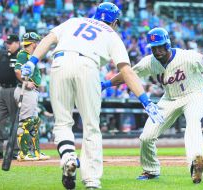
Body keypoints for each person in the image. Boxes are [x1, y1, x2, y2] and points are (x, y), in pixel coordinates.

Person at [21, 2, 163, 190]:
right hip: (88, 67)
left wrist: (32, 61)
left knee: (63, 122)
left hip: (59, 63)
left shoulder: (74, 21)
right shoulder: (112, 34)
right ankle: (92, 181)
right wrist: (146, 100)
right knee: (91, 127)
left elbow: (48, 39)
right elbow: (126, 70)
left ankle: (68, 156)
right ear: (115, 21)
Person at [101, 27, 203, 184]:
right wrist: (105, 84)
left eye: (161, 46)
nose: (157, 51)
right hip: (169, 99)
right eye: (154, 48)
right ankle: (151, 170)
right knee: (146, 137)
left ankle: (195, 163)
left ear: (168, 44)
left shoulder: (189, 57)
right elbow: (128, 74)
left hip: (193, 95)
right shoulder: (150, 62)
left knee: (193, 123)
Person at [14, 32, 50, 161]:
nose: (39, 44)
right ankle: (23, 153)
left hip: (32, 92)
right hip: (25, 91)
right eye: (37, 42)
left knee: (34, 122)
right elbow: (17, 70)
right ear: (33, 43)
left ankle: (36, 152)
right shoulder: (24, 55)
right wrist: (25, 82)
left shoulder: (31, 56)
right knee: (26, 122)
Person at [0, 34, 20, 160]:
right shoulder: (2, 55)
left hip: (14, 89)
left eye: (11, 43)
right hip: (2, 89)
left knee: (14, 121)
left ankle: (15, 150)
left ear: (17, 43)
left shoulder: (21, 56)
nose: (8, 45)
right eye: (7, 42)